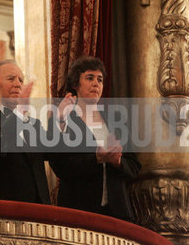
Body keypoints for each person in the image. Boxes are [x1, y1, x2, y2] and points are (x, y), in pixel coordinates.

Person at [51, 56, 141, 221]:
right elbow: (60, 166)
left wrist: (118, 162)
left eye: (100, 80)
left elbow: (134, 166)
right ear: (76, 84)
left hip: (117, 212)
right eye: (89, 78)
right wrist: (97, 158)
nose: (96, 84)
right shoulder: (64, 117)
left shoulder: (115, 120)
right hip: (78, 210)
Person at [0, 59, 51, 204]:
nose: (18, 84)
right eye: (11, 79)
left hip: (40, 210)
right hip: (6, 210)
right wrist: (19, 113)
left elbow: (52, 153)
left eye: (21, 80)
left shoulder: (33, 124)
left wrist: (59, 120)